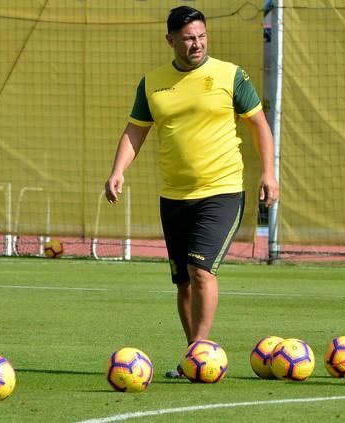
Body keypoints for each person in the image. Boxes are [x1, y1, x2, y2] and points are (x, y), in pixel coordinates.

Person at [104, 6, 279, 377]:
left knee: (201, 271)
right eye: (188, 38)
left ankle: (200, 355)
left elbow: (259, 126)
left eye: (201, 36)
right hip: (173, 197)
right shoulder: (152, 83)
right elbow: (136, 130)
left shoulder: (231, 76)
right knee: (183, 282)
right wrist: (118, 170)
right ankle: (193, 357)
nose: (196, 44)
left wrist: (268, 173)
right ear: (170, 40)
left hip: (222, 191)